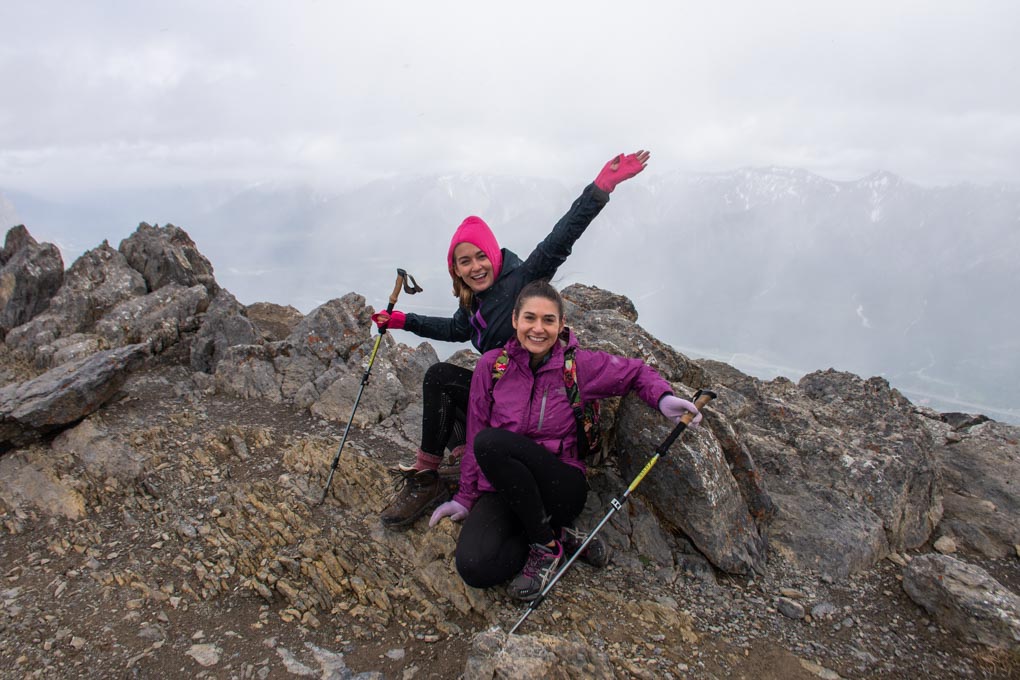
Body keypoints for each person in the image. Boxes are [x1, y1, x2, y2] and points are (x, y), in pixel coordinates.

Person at [372, 150, 652, 529]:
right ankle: (430, 474)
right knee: (441, 378)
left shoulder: (523, 280)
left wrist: (600, 188)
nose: (475, 266)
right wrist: (405, 320)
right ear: (455, 270)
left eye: (479, 256)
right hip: (500, 394)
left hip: (528, 407)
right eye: (464, 262)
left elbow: (560, 239)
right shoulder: (474, 303)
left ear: (492, 253)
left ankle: (456, 469)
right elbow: (456, 330)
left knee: (443, 379)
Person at [427, 281, 702, 601]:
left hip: (560, 484)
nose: (538, 329)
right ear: (515, 320)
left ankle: (544, 550)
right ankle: (556, 537)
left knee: (491, 443)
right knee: (475, 566)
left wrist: (664, 399)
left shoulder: (577, 367)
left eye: (548, 320)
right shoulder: (493, 367)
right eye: (529, 318)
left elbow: (635, 373)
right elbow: (474, 430)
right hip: (507, 489)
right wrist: (464, 497)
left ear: (561, 324)